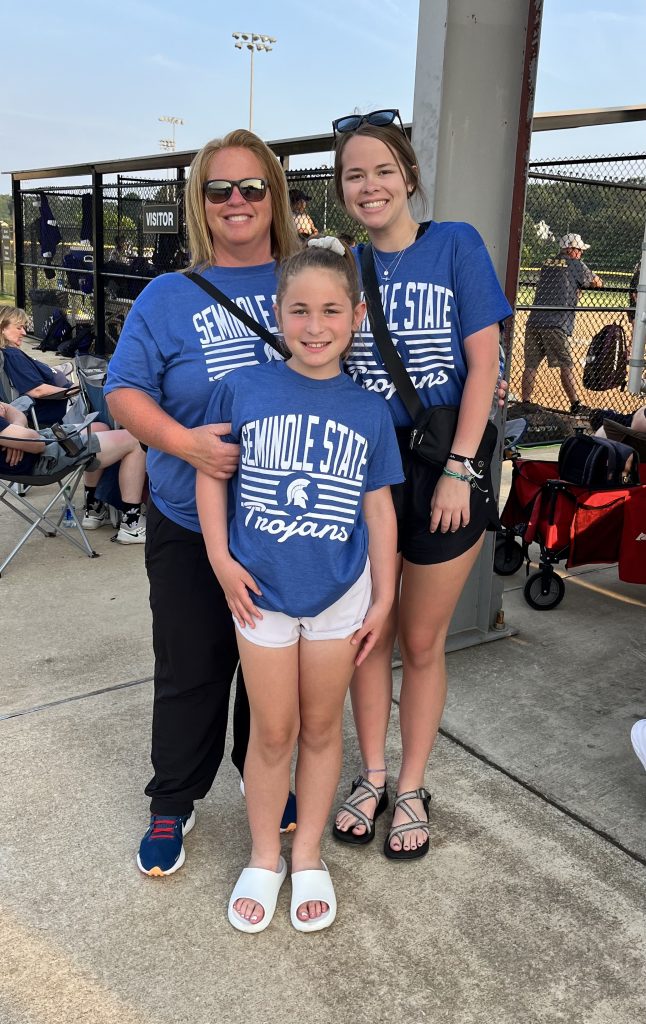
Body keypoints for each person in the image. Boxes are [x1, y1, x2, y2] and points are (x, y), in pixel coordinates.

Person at [104, 130, 302, 877]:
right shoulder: (168, 296)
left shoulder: (307, 278)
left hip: (286, 521)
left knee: (271, 666)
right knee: (192, 664)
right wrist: (184, 445)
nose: (238, 202)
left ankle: (263, 770)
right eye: (221, 189)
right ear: (200, 202)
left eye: (253, 187)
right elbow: (124, 392)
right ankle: (175, 799)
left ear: (274, 197)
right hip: (189, 517)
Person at [196, 238, 403, 932]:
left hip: (338, 597)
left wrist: (384, 596)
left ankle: (307, 853)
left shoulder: (370, 411)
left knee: (320, 729)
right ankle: (264, 855)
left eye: (331, 311)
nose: (315, 326)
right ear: (279, 313)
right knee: (273, 731)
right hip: (261, 594)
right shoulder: (245, 387)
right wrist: (222, 560)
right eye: (301, 311)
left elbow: (378, 509)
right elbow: (209, 471)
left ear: (356, 317)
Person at [330, 108, 513, 859]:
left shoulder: (455, 244)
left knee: (422, 638)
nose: (370, 185)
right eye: (353, 175)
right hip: (366, 469)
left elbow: (485, 364)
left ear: (408, 176)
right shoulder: (344, 264)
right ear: (342, 191)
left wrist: (462, 469)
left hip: (444, 459)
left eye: (382, 170)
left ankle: (411, 785)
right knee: (369, 633)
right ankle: (369, 776)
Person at [0, 400, 147, 544]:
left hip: (38, 444)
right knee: (135, 440)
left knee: (99, 426)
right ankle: (132, 524)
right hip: (43, 460)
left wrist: (15, 431)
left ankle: (94, 508)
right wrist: (18, 437)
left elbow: (11, 410)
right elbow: (37, 445)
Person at [521, 233, 603, 414]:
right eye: (579, 250)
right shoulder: (575, 265)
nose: (581, 254)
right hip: (556, 322)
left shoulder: (547, 263)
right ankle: (575, 404)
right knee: (566, 364)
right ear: (570, 250)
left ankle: (525, 402)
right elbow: (597, 282)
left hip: (535, 320)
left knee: (530, 365)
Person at [0, 306, 74, 427]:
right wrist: (74, 392)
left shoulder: (12, 352)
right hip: (60, 409)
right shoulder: (13, 356)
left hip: (62, 401)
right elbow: (37, 390)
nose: (24, 333)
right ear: (2, 329)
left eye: (24, 327)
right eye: (19, 328)